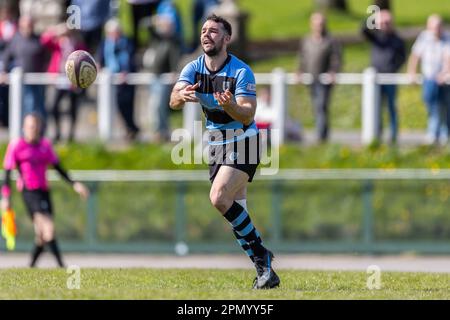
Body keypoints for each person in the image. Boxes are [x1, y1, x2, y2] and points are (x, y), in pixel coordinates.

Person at [169, 14, 280, 289]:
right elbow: (173, 99)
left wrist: (230, 106)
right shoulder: (193, 68)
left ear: (226, 38)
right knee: (236, 211)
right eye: (204, 30)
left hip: (246, 141)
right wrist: (179, 97)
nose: (206, 35)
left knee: (219, 197)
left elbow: (247, 114)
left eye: (214, 31)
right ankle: (264, 270)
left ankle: (263, 257)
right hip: (217, 146)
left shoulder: (241, 71)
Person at [1, 113, 89, 267]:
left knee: (42, 236)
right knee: (49, 229)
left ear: (39, 128)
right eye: (29, 126)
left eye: (35, 126)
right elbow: (7, 173)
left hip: (44, 192)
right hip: (29, 193)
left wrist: (75, 184)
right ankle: (62, 267)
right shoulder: (17, 146)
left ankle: (30, 268)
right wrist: (6, 197)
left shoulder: (45, 146)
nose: (32, 129)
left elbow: (58, 168)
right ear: (24, 128)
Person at [362, 10, 406, 144]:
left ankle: (393, 135)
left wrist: (393, 69)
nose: (386, 25)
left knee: (392, 106)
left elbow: (402, 58)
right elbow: (363, 29)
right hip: (375, 79)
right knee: (376, 107)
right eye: (383, 23)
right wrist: (373, 19)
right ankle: (377, 134)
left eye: (388, 22)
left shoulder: (397, 40)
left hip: (390, 78)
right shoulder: (376, 37)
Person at [296, 12, 341, 143]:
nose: (319, 26)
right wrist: (299, 71)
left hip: (324, 80)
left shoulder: (331, 41)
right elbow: (302, 58)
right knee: (316, 106)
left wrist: (333, 71)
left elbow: (336, 59)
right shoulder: (306, 40)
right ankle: (321, 134)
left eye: (321, 24)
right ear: (311, 25)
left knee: (321, 105)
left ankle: (321, 137)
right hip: (310, 79)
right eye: (316, 24)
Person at [407, 14, 450, 145]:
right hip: (430, 79)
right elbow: (415, 56)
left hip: (445, 79)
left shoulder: (447, 37)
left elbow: (448, 57)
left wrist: (445, 73)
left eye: (438, 26)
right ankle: (433, 132)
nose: (436, 30)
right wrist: (412, 72)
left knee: (445, 106)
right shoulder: (424, 37)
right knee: (431, 104)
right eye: (434, 27)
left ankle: (444, 133)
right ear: (429, 27)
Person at [41, 24, 87, 142]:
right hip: (59, 80)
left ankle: (71, 134)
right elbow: (44, 40)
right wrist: (56, 31)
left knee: (73, 107)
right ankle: (57, 132)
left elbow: (84, 58)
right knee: (53, 106)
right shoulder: (58, 43)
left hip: (72, 80)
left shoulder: (77, 44)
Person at [0, 15, 48, 126]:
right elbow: (7, 56)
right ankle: (25, 135)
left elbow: (46, 56)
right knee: (28, 107)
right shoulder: (16, 39)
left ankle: (40, 134)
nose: (28, 28)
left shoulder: (38, 39)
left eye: (30, 25)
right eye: (26, 25)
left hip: (38, 80)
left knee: (39, 107)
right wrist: (4, 71)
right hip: (23, 82)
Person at [143, 3, 182, 141]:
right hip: (154, 77)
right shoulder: (157, 38)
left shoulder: (173, 40)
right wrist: (157, 19)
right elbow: (145, 24)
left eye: (168, 25)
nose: (166, 27)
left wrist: (174, 72)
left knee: (159, 106)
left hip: (164, 78)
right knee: (153, 106)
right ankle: (158, 131)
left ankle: (162, 132)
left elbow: (175, 58)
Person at [98, 19, 140, 141]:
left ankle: (131, 128)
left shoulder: (126, 42)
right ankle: (131, 128)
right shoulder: (105, 44)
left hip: (127, 80)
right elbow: (101, 58)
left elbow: (130, 59)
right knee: (119, 105)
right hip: (112, 80)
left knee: (128, 105)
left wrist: (125, 71)